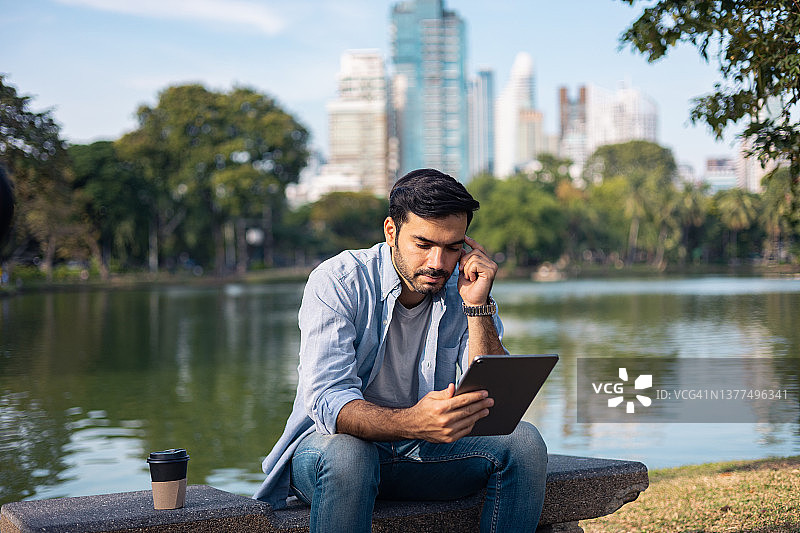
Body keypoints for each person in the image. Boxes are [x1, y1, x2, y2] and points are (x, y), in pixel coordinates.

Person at [254, 168, 548, 532]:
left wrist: (477, 306)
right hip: (331, 455)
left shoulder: (466, 288)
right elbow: (328, 401)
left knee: (525, 443)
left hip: (422, 455)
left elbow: (493, 398)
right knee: (351, 455)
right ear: (391, 231)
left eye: (453, 247)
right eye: (424, 244)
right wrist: (415, 422)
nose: (438, 263)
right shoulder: (338, 281)